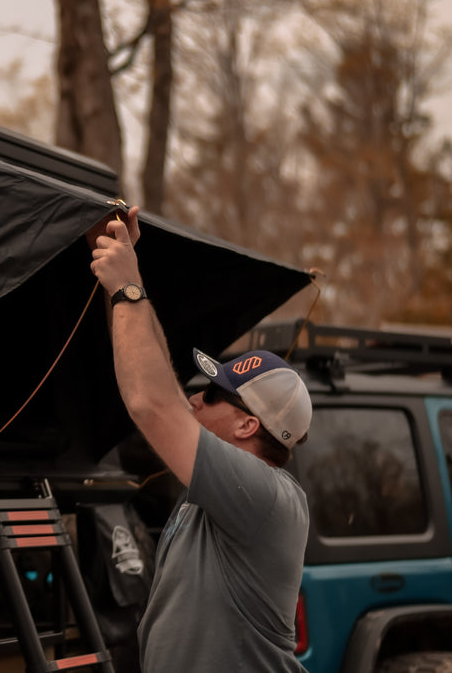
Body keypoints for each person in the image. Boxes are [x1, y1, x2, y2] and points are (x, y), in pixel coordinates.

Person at [89, 205, 312, 672]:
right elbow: (164, 391)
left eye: (211, 395)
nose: (194, 400)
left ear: (248, 425)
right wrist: (133, 273)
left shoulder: (262, 494)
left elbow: (154, 403)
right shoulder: (219, 493)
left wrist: (126, 289)